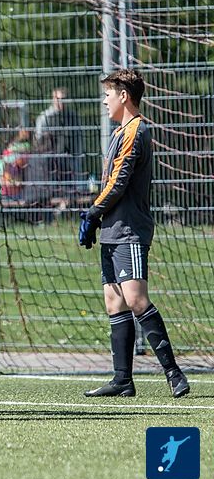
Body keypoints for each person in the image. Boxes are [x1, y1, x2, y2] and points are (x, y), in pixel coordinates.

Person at [79, 68, 190, 399]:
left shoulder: (136, 130)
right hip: (113, 230)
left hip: (129, 230)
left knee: (136, 299)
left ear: (124, 96)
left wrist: (93, 212)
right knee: (114, 302)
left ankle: (174, 373)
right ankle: (122, 380)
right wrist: (99, 219)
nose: (104, 101)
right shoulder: (120, 132)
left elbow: (119, 182)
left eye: (108, 95)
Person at [35, 87, 84, 198]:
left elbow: (78, 140)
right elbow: (38, 140)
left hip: (69, 162)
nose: (61, 102)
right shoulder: (45, 117)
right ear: (53, 99)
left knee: (70, 195)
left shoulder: (72, 117)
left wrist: (77, 159)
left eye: (63, 99)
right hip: (50, 163)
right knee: (50, 195)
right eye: (58, 98)